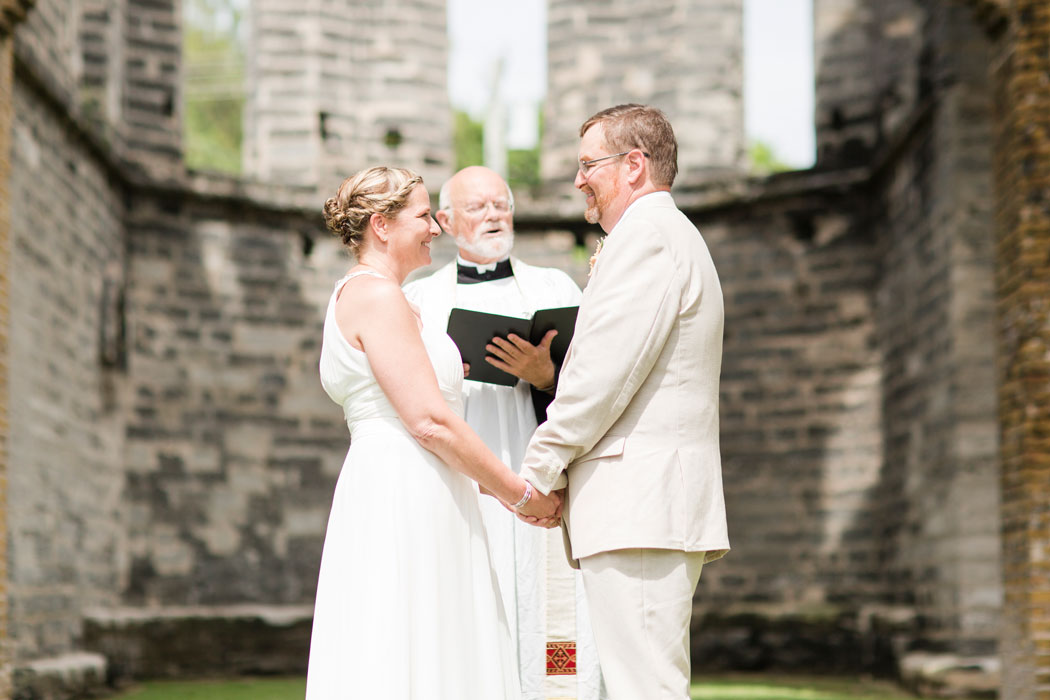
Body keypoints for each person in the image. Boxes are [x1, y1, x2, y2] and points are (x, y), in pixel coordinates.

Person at [306, 166, 561, 700]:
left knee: (419, 639)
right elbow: (429, 421)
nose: (434, 230)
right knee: (418, 636)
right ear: (381, 225)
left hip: (410, 480)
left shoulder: (373, 294)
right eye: (424, 216)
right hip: (408, 486)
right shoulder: (379, 297)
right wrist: (519, 494)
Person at [518, 104, 730, 700]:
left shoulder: (648, 239)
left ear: (634, 165)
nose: (578, 179)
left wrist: (540, 469)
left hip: (640, 502)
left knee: (647, 691)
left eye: (589, 164)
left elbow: (600, 379)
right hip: (642, 505)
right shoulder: (660, 235)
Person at [404, 166, 604, 700]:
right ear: (444, 220)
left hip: (536, 471)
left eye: (502, 204)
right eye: (477, 207)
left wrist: (546, 376)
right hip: (458, 476)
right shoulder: (419, 300)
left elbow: (597, 387)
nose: (494, 215)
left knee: (542, 603)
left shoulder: (554, 286)